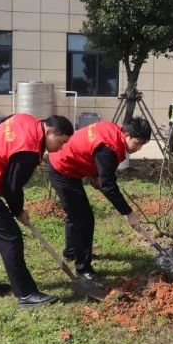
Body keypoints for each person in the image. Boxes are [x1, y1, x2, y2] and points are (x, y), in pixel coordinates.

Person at [0, 114, 74, 308]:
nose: (60, 148)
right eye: (61, 142)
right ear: (49, 131)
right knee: (10, 238)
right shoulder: (28, 149)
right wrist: (18, 210)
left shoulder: (26, 119)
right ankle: (26, 294)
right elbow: (11, 186)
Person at [47, 118, 152, 280]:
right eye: (137, 143)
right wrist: (128, 213)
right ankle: (83, 268)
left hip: (68, 163)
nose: (138, 149)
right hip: (63, 167)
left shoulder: (112, 130)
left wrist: (95, 175)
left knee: (75, 214)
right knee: (84, 219)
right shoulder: (109, 148)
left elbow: (90, 148)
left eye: (142, 145)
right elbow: (108, 185)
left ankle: (71, 252)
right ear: (127, 134)